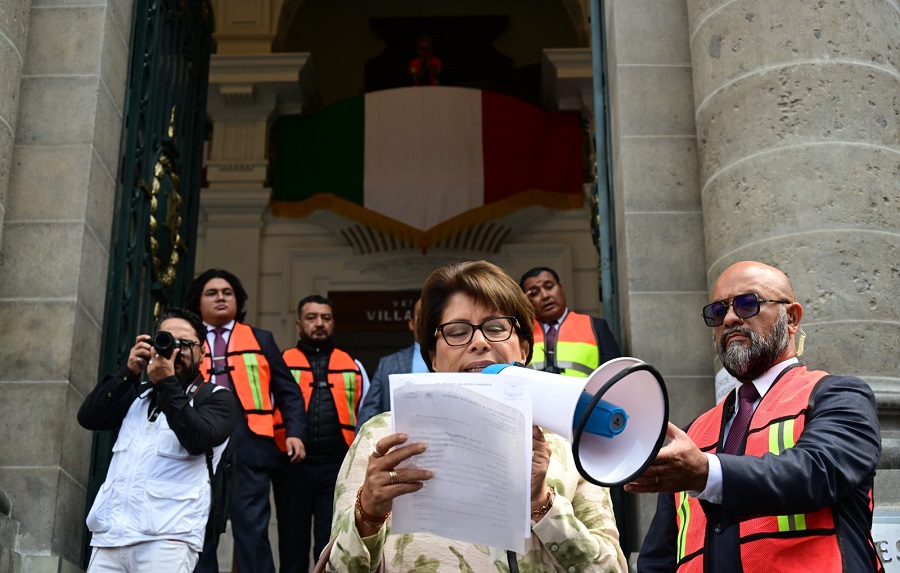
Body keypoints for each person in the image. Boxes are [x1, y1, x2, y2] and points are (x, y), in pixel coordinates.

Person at [320, 260, 628, 572]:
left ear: (523, 348)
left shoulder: (567, 442)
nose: (479, 342)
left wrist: (542, 503)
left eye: (496, 328)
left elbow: (612, 569)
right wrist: (368, 515)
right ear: (433, 358)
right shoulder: (382, 435)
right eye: (457, 332)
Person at [628, 261, 884, 572]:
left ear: (791, 318)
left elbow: (817, 472)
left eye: (748, 303)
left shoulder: (838, 396)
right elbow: (660, 558)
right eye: (719, 311)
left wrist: (707, 473)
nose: (732, 318)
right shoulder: (691, 434)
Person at [79, 308, 237, 572]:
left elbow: (197, 439)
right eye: (166, 341)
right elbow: (88, 417)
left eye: (185, 344)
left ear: (203, 352)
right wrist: (128, 372)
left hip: (169, 539)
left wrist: (166, 383)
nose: (174, 351)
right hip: (111, 537)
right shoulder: (136, 396)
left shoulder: (217, 398)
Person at [185, 269, 307, 573]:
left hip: (250, 447)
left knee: (252, 531)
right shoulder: (186, 340)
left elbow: (288, 391)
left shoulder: (260, 338)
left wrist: (294, 432)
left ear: (238, 300)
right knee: (200, 531)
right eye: (211, 293)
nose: (221, 297)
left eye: (227, 292)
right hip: (195, 445)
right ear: (197, 303)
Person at [277, 294, 369, 573]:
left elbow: (364, 412)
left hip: (336, 468)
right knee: (292, 546)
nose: (319, 323)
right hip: (292, 468)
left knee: (329, 545)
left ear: (333, 323)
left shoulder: (353, 365)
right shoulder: (281, 362)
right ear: (298, 324)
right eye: (311, 317)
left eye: (325, 318)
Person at [520, 267, 621, 376]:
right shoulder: (520, 332)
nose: (545, 296)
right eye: (534, 293)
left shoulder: (596, 326)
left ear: (561, 288)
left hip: (584, 393)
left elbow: (615, 376)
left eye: (549, 286)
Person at [357, 297, 427, 427]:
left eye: (432, 314)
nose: (428, 319)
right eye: (422, 314)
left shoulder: (458, 359)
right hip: (398, 444)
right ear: (411, 323)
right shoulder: (387, 364)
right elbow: (368, 417)